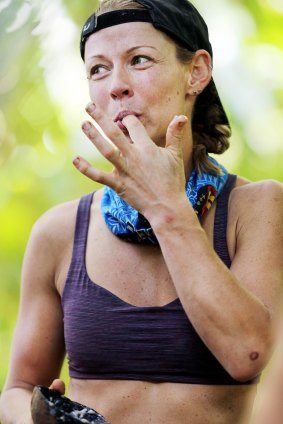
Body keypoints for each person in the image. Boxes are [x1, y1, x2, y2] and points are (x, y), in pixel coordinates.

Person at [0, 0, 282, 423]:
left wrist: (166, 208)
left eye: (139, 60)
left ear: (197, 72)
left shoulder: (258, 207)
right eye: (98, 69)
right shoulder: (59, 232)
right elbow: (18, 390)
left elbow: (249, 354)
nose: (116, 85)